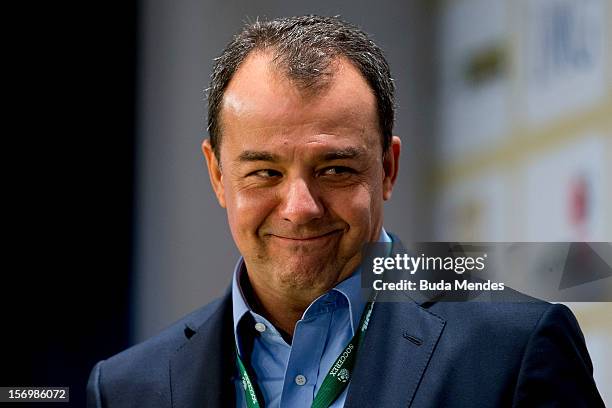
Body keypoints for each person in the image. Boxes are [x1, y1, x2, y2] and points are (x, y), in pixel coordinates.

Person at [87, 15, 604, 407]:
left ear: (388, 168)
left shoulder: (515, 348)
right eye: (264, 172)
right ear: (218, 175)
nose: (300, 208)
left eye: (335, 169)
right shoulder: (127, 388)